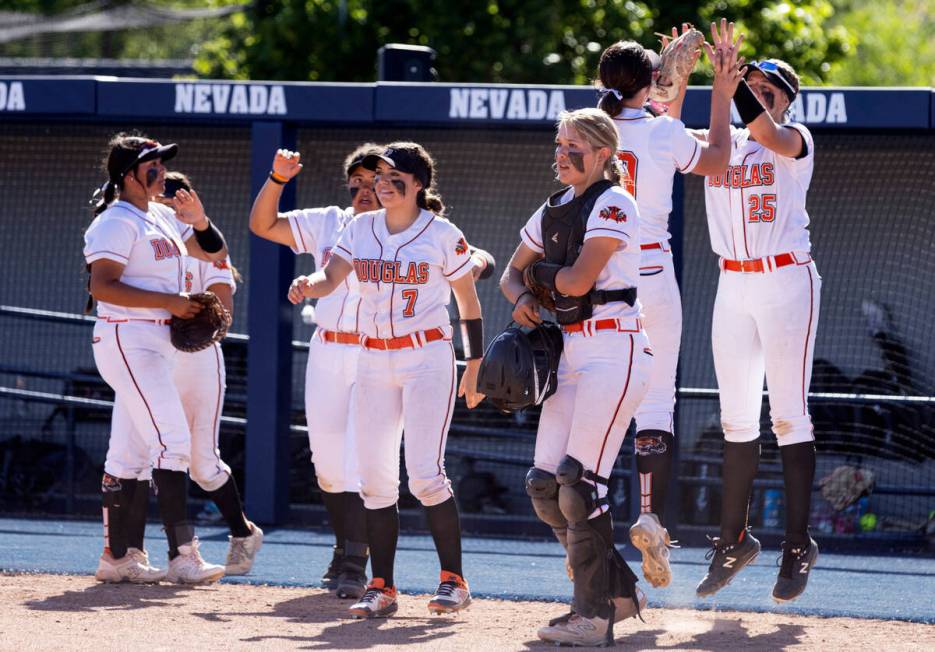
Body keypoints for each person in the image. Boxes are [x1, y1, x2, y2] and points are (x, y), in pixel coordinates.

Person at [287, 142, 485, 619]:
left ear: (418, 183)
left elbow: (468, 303)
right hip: (373, 359)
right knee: (374, 480)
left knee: (424, 474)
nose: (381, 182)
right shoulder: (360, 227)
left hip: (427, 358)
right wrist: (307, 285)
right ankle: (382, 586)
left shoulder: (442, 233)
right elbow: (331, 276)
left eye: (392, 174)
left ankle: (453, 580)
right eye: (378, 175)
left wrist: (474, 363)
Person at [596, 19, 743, 589]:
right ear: (648, 82)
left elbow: (657, 121)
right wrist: (722, 97)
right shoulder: (660, 133)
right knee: (655, 407)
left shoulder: (589, 128)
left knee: (600, 399)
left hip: (599, 273)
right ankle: (651, 513)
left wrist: (668, 80)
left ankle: (590, 521)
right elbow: (715, 160)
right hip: (651, 272)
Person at [500, 107, 652, 647]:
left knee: (579, 481)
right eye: (560, 144)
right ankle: (617, 591)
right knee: (545, 485)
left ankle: (593, 614)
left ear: (603, 153)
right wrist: (523, 297)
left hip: (616, 345)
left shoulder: (614, 200)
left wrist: (541, 279)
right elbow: (509, 275)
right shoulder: (552, 208)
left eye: (575, 148)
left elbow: (579, 279)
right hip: (570, 350)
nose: (563, 155)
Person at [690, 52, 822, 603]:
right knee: (736, 419)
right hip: (733, 284)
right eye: (753, 84)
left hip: (787, 278)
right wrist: (679, 73)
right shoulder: (719, 142)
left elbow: (764, 129)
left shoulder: (795, 138)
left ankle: (797, 544)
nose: (759, 91)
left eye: (769, 86)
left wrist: (730, 85)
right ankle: (733, 539)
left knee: (788, 415)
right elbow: (668, 134)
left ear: (787, 97)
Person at [84, 134, 229, 584]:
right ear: (127, 173)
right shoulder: (115, 221)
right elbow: (101, 286)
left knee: (127, 456)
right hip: (127, 338)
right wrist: (168, 300)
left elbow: (215, 252)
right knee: (173, 441)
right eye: (153, 165)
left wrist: (200, 220)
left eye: (163, 164)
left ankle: (118, 557)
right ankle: (183, 555)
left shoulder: (162, 215)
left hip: (156, 341)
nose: (161, 171)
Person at [249, 143, 382, 599]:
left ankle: (354, 561)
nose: (365, 190)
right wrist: (278, 179)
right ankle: (345, 545)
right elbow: (262, 224)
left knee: (362, 464)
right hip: (327, 349)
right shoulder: (331, 220)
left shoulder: (405, 230)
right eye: (357, 182)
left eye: (374, 181)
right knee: (327, 465)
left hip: (374, 353)